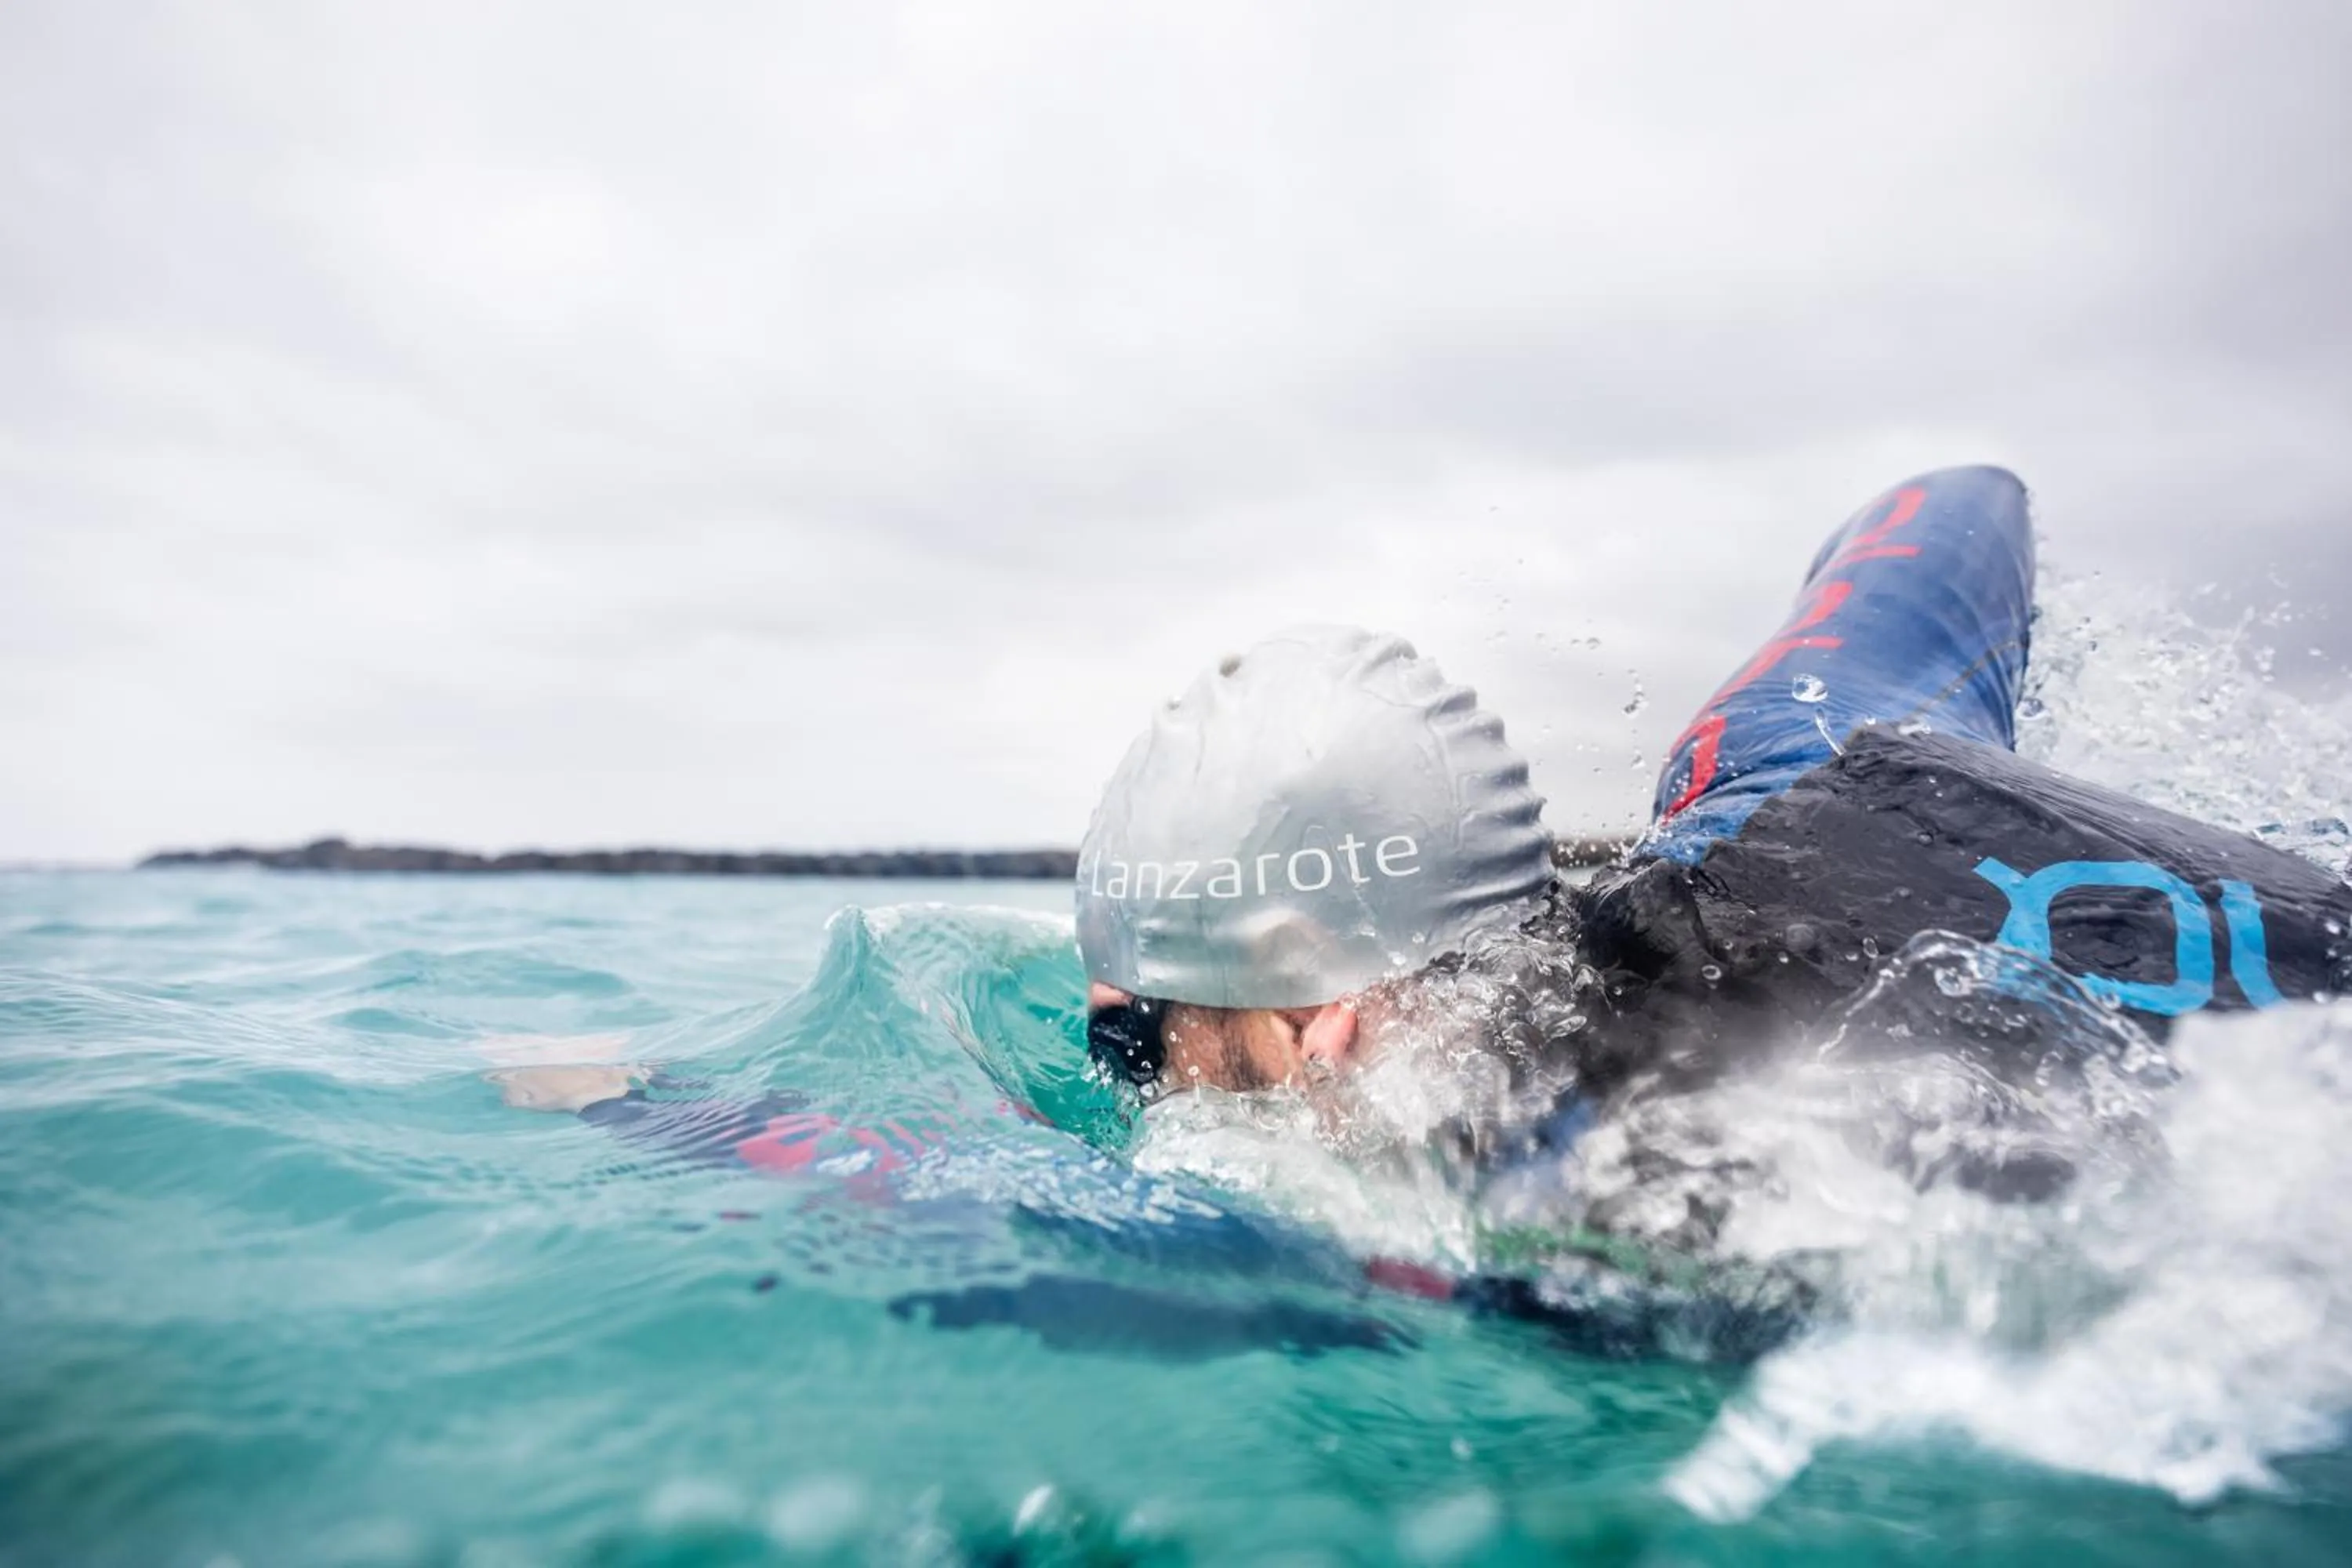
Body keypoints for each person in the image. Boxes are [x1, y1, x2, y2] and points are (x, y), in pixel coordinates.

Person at [1078, 466, 2352, 1142]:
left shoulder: (1667, 1205)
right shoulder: (1787, 772)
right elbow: (1958, 506)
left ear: (1321, 1019)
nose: (1139, 1090)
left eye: (1138, 1051)